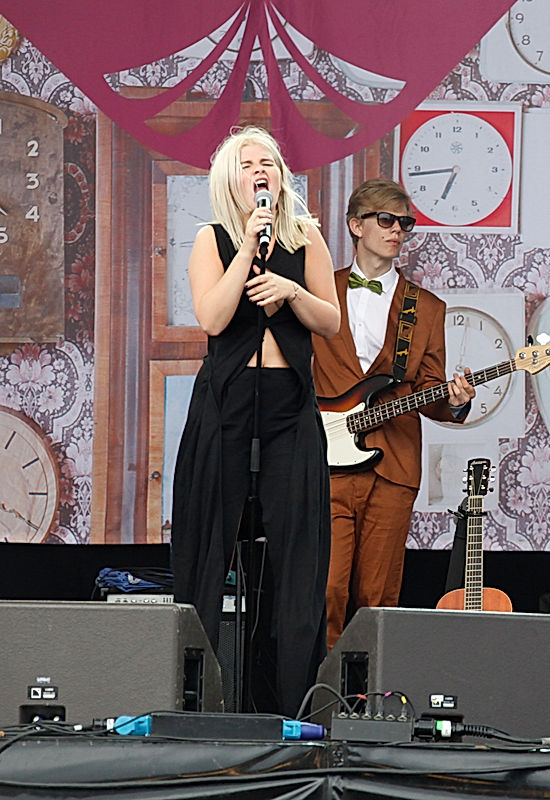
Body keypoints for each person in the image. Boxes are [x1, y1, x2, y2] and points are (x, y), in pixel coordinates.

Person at [172, 126, 340, 715]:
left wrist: (291, 291)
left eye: (267, 161)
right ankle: (192, 703)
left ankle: (296, 709)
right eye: (247, 164)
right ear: (230, 178)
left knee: (298, 557)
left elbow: (330, 321)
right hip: (227, 401)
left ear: (281, 175)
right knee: (206, 548)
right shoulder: (212, 239)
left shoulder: (306, 237)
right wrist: (246, 250)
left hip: (290, 402)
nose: (259, 170)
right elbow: (214, 319)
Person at [312, 178, 475, 648]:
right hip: (327, 464)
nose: (397, 231)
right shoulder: (319, 292)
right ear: (355, 225)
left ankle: (367, 702)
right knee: (326, 589)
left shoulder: (426, 308)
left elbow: (430, 388)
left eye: (405, 223)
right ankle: (321, 698)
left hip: (394, 466)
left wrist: (457, 400)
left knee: (377, 597)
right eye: (386, 220)